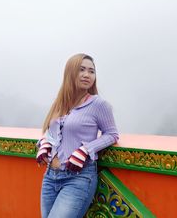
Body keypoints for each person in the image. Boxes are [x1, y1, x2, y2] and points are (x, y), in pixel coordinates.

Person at [36, 53, 119, 218]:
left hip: (78, 178)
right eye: (81, 70)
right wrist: (43, 143)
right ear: (70, 73)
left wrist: (86, 149)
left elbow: (112, 134)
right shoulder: (60, 104)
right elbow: (52, 132)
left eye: (91, 71)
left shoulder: (98, 104)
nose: (87, 75)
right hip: (50, 176)